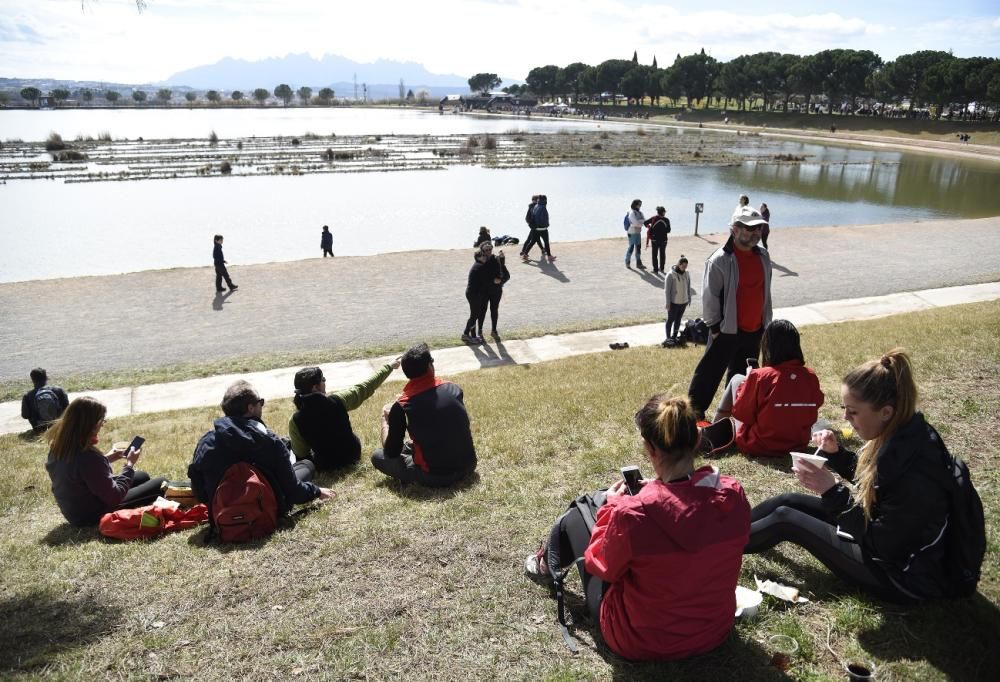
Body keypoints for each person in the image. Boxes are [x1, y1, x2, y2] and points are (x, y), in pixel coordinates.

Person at [524, 394, 750, 660]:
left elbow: (601, 566)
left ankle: (545, 565)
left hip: (641, 640)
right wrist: (656, 492)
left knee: (580, 512)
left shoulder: (631, 514)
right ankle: (545, 562)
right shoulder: (732, 494)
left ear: (650, 449)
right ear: (697, 439)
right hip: (712, 631)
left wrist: (611, 507)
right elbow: (692, 512)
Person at [746, 350, 981, 602]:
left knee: (786, 520)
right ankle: (729, 532)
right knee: (789, 500)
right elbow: (878, 483)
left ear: (885, 412)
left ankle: (716, 548)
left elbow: (881, 544)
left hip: (907, 578)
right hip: (891, 544)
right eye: (844, 409)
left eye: (853, 411)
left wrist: (832, 491)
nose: (845, 418)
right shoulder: (906, 433)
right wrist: (836, 454)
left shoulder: (916, 471)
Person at [189, 380, 334, 514]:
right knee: (306, 464)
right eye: (261, 402)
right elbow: (293, 491)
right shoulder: (267, 440)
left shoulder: (207, 441)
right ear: (250, 408)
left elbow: (200, 492)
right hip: (267, 509)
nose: (261, 406)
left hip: (221, 513)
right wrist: (317, 491)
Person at [687, 205, 773, 418]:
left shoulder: (763, 256)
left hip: (755, 330)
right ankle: (693, 415)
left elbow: (765, 292)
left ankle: (733, 416)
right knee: (709, 374)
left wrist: (765, 324)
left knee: (743, 377)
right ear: (734, 229)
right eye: (749, 228)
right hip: (726, 329)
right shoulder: (719, 260)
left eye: (759, 228)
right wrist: (715, 328)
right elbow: (710, 297)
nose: (755, 233)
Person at [709, 319, 824, 456]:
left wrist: (747, 384)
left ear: (767, 346)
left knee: (736, 379)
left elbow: (741, 413)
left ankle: (713, 429)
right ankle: (714, 428)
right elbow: (816, 404)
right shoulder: (810, 376)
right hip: (798, 445)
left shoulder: (760, 376)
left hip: (759, 445)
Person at [45, 397, 166, 526]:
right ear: (92, 424)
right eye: (102, 420)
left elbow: (80, 470)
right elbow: (115, 497)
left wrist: (109, 457)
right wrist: (130, 464)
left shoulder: (60, 446)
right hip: (92, 515)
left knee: (142, 476)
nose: (103, 424)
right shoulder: (89, 457)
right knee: (161, 483)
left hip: (75, 510)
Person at [371, 343, 477, 487]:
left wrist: (386, 421)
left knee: (378, 456)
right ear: (429, 366)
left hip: (436, 476)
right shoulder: (453, 388)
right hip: (469, 465)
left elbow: (391, 453)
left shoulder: (402, 406)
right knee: (413, 445)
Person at [288, 359, 400, 470]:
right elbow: (365, 387)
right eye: (323, 379)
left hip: (326, 465)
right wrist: (389, 367)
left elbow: (301, 453)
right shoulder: (338, 400)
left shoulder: (295, 420)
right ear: (315, 387)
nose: (325, 382)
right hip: (353, 455)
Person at [477, 241, 510, 339]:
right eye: (486, 250)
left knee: (494, 309)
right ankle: (480, 330)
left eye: (490, 249)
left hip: (496, 290)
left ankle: (494, 330)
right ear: (482, 251)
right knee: (482, 310)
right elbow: (479, 277)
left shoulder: (497, 259)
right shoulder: (480, 262)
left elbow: (507, 275)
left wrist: (500, 281)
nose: (488, 251)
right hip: (484, 291)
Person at [462, 246, 491, 344]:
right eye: (482, 255)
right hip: (474, 294)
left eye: (484, 255)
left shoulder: (477, 265)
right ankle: (466, 334)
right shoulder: (479, 266)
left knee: (475, 314)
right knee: (475, 315)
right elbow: (485, 281)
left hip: (472, 293)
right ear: (478, 257)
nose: (484, 257)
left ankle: (473, 336)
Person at [662, 255, 693, 346]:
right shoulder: (671, 275)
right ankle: (668, 339)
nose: (684, 268)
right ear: (678, 264)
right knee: (670, 320)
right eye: (683, 266)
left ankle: (674, 337)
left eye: (686, 266)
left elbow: (688, 286)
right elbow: (667, 291)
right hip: (674, 303)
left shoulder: (687, 273)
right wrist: (668, 303)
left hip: (683, 302)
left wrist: (689, 298)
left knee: (678, 320)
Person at [644, 206, 671, 275]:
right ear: (663, 212)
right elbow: (669, 230)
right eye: (664, 211)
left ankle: (655, 270)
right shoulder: (666, 220)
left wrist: (649, 227)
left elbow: (645, 223)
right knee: (662, 254)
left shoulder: (654, 218)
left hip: (654, 240)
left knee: (654, 254)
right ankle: (661, 268)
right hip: (664, 240)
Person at [532, 194, 556, 262]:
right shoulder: (543, 207)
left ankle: (525, 253)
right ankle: (549, 256)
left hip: (536, 228)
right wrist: (546, 225)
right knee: (546, 242)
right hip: (543, 228)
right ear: (545, 200)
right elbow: (544, 218)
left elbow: (534, 216)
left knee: (533, 241)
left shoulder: (536, 206)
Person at [624, 199, 646, 269]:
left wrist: (639, 222)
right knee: (631, 247)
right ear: (635, 204)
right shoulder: (631, 212)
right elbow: (636, 222)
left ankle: (639, 263)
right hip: (632, 232)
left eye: (640, 204)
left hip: (638, 232)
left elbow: (644, 221)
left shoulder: (640, 213)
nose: (640, 206)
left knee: (638, 248)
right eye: (639, 204)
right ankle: (627, 262)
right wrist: (640, 223)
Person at [520, 195, 539, 261]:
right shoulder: (534, 206)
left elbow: (527, 217)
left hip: (533, 225)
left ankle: (523, 252)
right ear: (535, 200)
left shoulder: (531, 206)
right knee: (532, 239)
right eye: (537, 199)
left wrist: (530, 224)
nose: (538, 201)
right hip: (535, 226)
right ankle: (524, 253)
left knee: (533, 239)